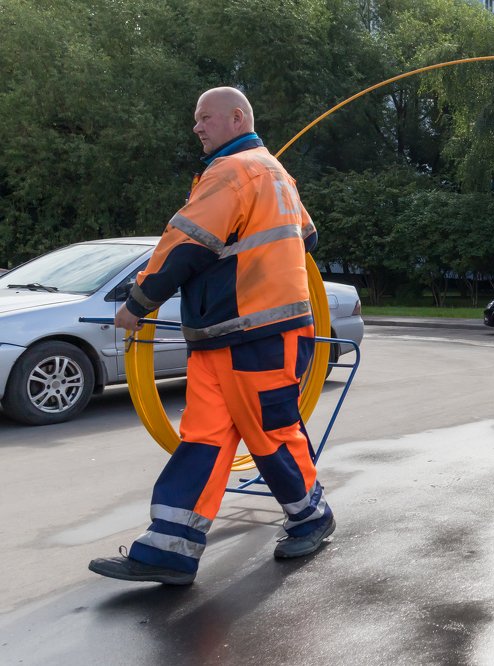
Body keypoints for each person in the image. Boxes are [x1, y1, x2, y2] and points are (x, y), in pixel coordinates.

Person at [89, 87, 334, 586]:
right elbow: (307, 238)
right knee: (203, 440)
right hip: (230, 333)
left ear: (236, 117)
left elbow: (184, 246)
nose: (197, 128)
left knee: (270, 434)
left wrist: (137, 304)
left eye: (205, 118)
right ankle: (169, 549)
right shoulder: (273, 173)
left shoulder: (232, 172)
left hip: (257, 333)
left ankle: (312, 516)